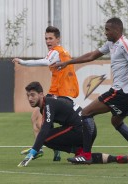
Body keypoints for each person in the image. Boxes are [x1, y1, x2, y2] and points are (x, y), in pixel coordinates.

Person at [55, 17, 128, 167]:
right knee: (116, 121)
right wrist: (68, 62)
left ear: (117, 30)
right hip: (124, 94)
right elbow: (92, 56)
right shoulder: (111, 44)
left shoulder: (124, 44)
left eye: (107, 29)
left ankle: (86, 155)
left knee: (85, 113)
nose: (105, 32)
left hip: (120, 93)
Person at [18, 81, 128, 167]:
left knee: (45, 138)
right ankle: (116, 158)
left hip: (80, 128)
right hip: (90, 128)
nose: (30, 98)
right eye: (28, 95)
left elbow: (45, 130)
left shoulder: (48, 104)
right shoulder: (51, 100)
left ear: (41, 94)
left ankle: (77, 150)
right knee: (85, 156)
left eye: (32, 95)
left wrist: (33, 152)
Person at [12, 26, 79, 161]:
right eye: (46, 39)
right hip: (62, 94)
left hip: (61, 95)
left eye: (51, 38)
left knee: (38, 118)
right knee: (41, 118)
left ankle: (39, 149)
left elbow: (45, 61)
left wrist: (22, 62)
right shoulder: (63, 52)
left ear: (58, 39)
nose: (48, 41)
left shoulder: (56, 51)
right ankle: (53, 150)